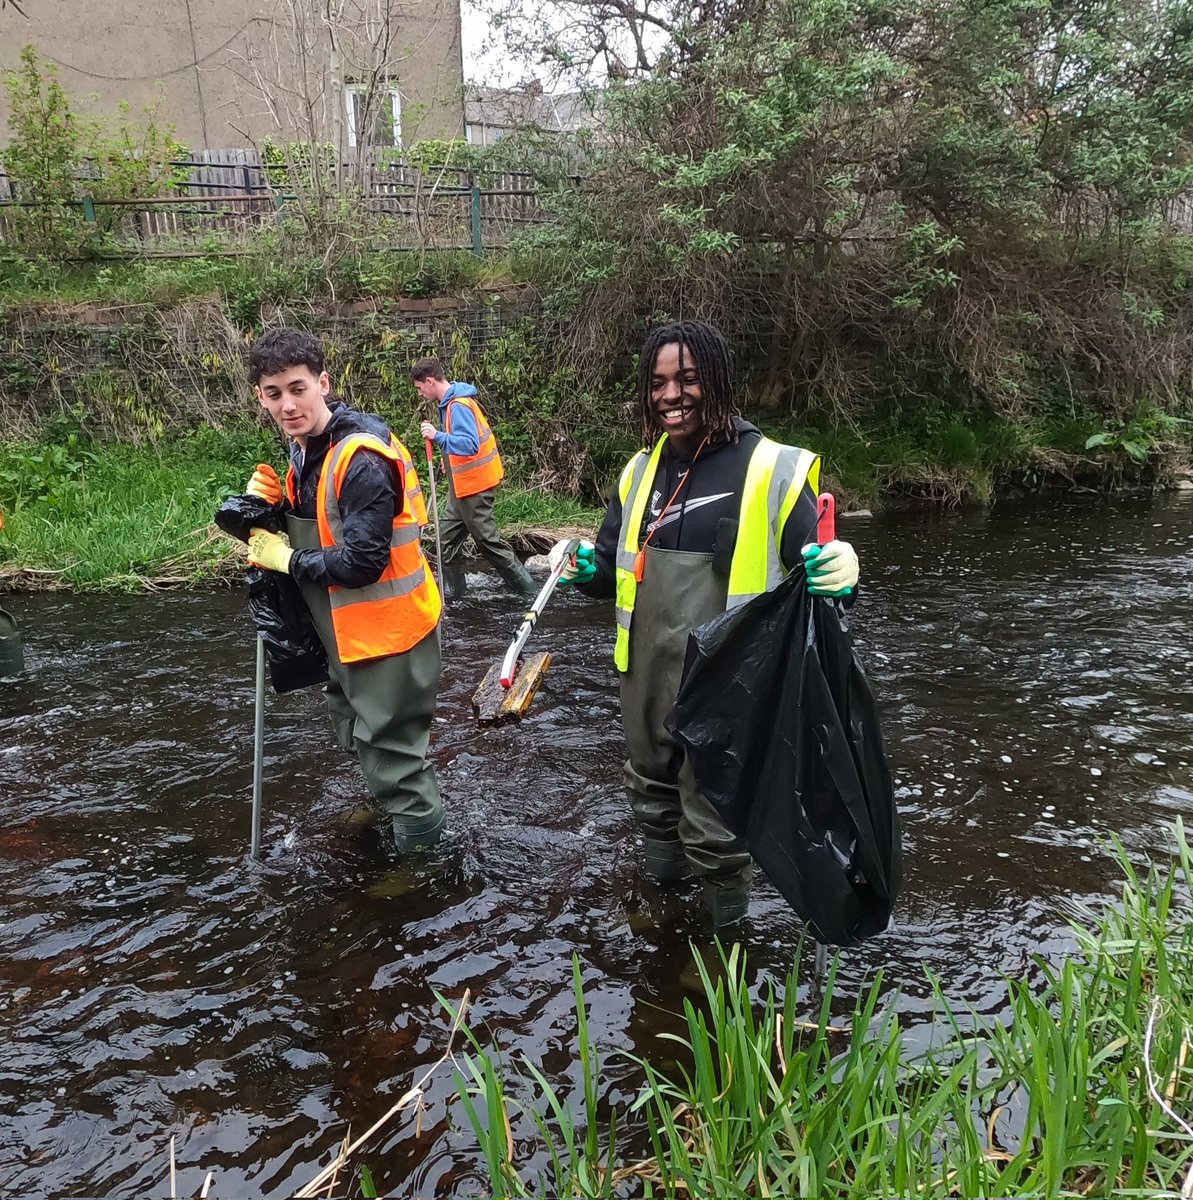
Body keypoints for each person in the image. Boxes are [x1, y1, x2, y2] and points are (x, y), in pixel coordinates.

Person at [549, 321, 860, 929]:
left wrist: (844, 576)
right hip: (646, 681)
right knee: (652, 798)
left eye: (688, 379)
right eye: (660, 382)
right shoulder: (639, 472)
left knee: (715, 822)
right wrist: (589, 571)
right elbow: (616, 571)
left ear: (718, 381)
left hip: (732, 687)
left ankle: (721, 953)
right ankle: (662, 920)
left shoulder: (776, 469)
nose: (672, 395)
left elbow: (819, 583)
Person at [243, 328, 445, 853]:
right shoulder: (306, 449)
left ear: (323, 384)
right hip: (346, 635)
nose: (288, 404)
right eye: (274, 394)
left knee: (395, 757)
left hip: (390, 638)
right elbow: (317, 527)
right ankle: (389, 809)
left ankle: (424, 873)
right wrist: (259, 508)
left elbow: (363, 560)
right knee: (358, 737)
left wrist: (285, 559)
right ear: (260, 397)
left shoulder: (361, 458)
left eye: (297, 388)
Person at [412, 357, 538, 602]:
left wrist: (438, 436)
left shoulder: (458, 405)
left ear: (429, 381)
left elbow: (470, 444)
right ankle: (455, 599)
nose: (420, 393)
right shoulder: (449, 404)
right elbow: (458, 441)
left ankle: (530, 593)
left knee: (488, 544)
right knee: (446, 543)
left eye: (419, 388)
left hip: (475, 488)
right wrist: (446, 456)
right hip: (460, 490)